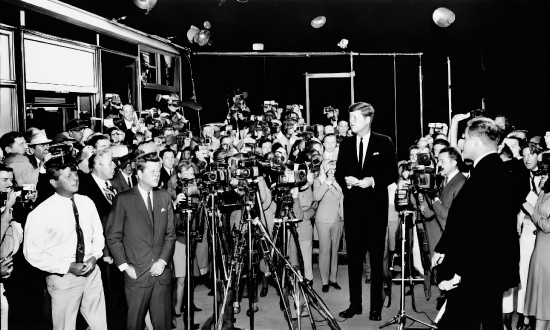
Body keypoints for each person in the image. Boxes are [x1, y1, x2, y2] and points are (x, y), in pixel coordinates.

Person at [432, 117, 522, 330]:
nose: (461, 143)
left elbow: (478, 228)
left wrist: (457, 272)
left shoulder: (487, 175)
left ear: (476, 143)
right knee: (489, 320)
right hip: (486, 267)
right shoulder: (492, 171)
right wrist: (444, 247)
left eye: (464, 138)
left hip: (477, 270)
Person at [23, 159, 107, 330]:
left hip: (92, 273)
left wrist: (94, 256)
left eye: (75, 173)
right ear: (54, 182)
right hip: (63, 279)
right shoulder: (41, 213)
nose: (75, 178)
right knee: (64, 327)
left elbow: (98, 234)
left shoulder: (87, 202)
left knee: (99, 325)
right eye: (68, 176)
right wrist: (67, 267)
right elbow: (32, 253)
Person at [335, 102, 398, 321]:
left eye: (354, 118)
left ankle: (375, 308)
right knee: (353, 261)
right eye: (350, 118)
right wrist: (347, 182)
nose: (350, 122)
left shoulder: (384, 142)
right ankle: (355, 305)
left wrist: (373, 181)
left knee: (376, 261)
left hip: (375, 213)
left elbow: (392, 173)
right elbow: (338, 173)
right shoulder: (345, 144)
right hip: (353, 212)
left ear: (367, 119)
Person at [106, 153, 176, 330]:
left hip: (161, 274)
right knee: (135, 323)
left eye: (158, 171)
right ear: (139, 173)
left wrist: (162, 260)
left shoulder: (164, 197)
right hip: (136, 274)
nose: (156, 175)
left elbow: (170, 234)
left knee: (163, 325)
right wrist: (124, 266)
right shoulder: (123, 199)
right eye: (152, 171)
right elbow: (113, 236)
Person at [420, 147, 466, 257]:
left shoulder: (461, 183)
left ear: (454, 162)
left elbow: (447, 214)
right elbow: (430, 212)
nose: (439, 165)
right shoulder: (442, 180)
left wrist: (434, 199)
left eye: (442, 161)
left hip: (448, 236)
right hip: (437, 234)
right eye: (438, 161)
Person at [523, 169, 550, 330]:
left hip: (547, 254)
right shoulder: (544, 192)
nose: (543, 177)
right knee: (542, 301)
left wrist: (531, 211)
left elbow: (547, 226)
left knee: (544, 302)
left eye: (547, 174)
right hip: (540, 250)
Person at [313, 160, 344, 293]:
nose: (331, 172)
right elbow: (317, 196)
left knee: (334, 251)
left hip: (337, 219)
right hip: (323, 220)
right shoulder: (318, 181)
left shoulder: (340, 182)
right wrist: (327, 183)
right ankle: (325, 281)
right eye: (329, 169)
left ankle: (333, 279)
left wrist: (336, 185)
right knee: (324, 251)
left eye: (334, 169)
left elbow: (343, 196)